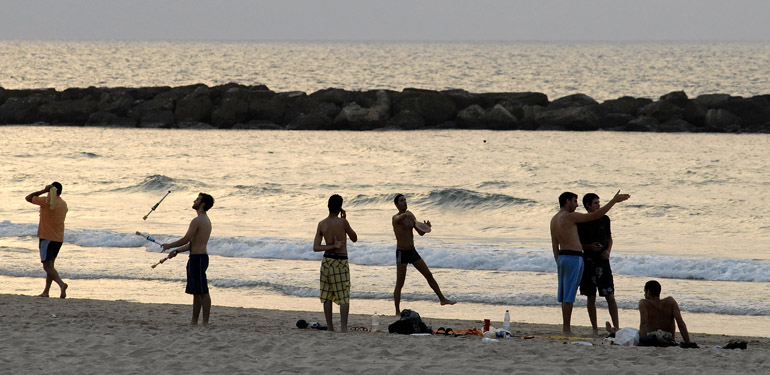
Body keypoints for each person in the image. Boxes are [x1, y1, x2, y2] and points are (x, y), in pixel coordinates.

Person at [550, 190, 629, 335]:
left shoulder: (554, 219)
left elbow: (555, 245)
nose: (576, 205)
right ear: (567, 201)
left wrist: (558, 261)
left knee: (564, 295)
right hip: (574, 257)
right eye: (574, 201)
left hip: (562, 257)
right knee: (569, 296)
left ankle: (566, 328)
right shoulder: (569, 216)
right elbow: (594, 215)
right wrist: (613, 201)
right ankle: (566, 329)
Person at [392, 194, 455, 316]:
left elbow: (420, 232)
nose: (405, 202)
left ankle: (442, 299)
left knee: (429, 275)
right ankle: (397, 311)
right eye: (401, 201)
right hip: (402, 252)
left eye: (405, 199)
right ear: (397, 204)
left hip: (412, 251)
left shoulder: (410, 216)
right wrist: (405, 214)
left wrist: (427, 227)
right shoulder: (396, 217)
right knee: (400, 283)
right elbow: (397, 220)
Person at [162, 193, 214, 326]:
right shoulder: (205, 220)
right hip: (197, 258)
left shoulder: (197, 221)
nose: (194, 201)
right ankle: (194, 321)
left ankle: (205, 323)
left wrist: (169, 245)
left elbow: (186, 239)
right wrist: (177, 250)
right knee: (196, 292)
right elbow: (192, 244)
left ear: (202, 204)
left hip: (198, 259)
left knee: (203, 291)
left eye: (197, 199)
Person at [312, 194, 358, 332]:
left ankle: (330, 327)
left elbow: (316, 247)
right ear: (340, 208)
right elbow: (354, 238)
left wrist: (330, 246)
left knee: (327, 295)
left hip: (327, 261)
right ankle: (343, 327)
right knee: (343, 295)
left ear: (328, 206)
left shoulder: (322, 224)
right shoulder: (342, 223)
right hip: (340, 261)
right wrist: (345, 221)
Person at [578, 193, 619, 335]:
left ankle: (617, 327)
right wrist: (589, 247)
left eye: (599, 202)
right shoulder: (582, 221)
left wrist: (608, 250)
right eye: (595, 203)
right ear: (588, 206)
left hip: (603, 261)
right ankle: (594, 328)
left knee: (610, 295)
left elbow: (609, 238)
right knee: (591, 296)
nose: (599, 205)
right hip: (588, 261)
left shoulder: (605, 219)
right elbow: (577, 243)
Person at [26, 182, 68, 299]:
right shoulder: (63, 204)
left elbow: (28, 198)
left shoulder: (47, 202)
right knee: (51, 266)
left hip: (47, 238)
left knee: (46, 266)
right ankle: (46, 291)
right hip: (58, 238)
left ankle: (61, 284)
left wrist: (43, 191)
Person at [638, 280, 692, 346]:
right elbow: (680, 323)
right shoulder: (671, 302)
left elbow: (643, 325)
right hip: (669, 340)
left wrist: (643, 341)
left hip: (653, 340)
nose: (644, 295)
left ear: (648, 292)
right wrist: (688, 343)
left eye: (644, 292)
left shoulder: (644, 303)